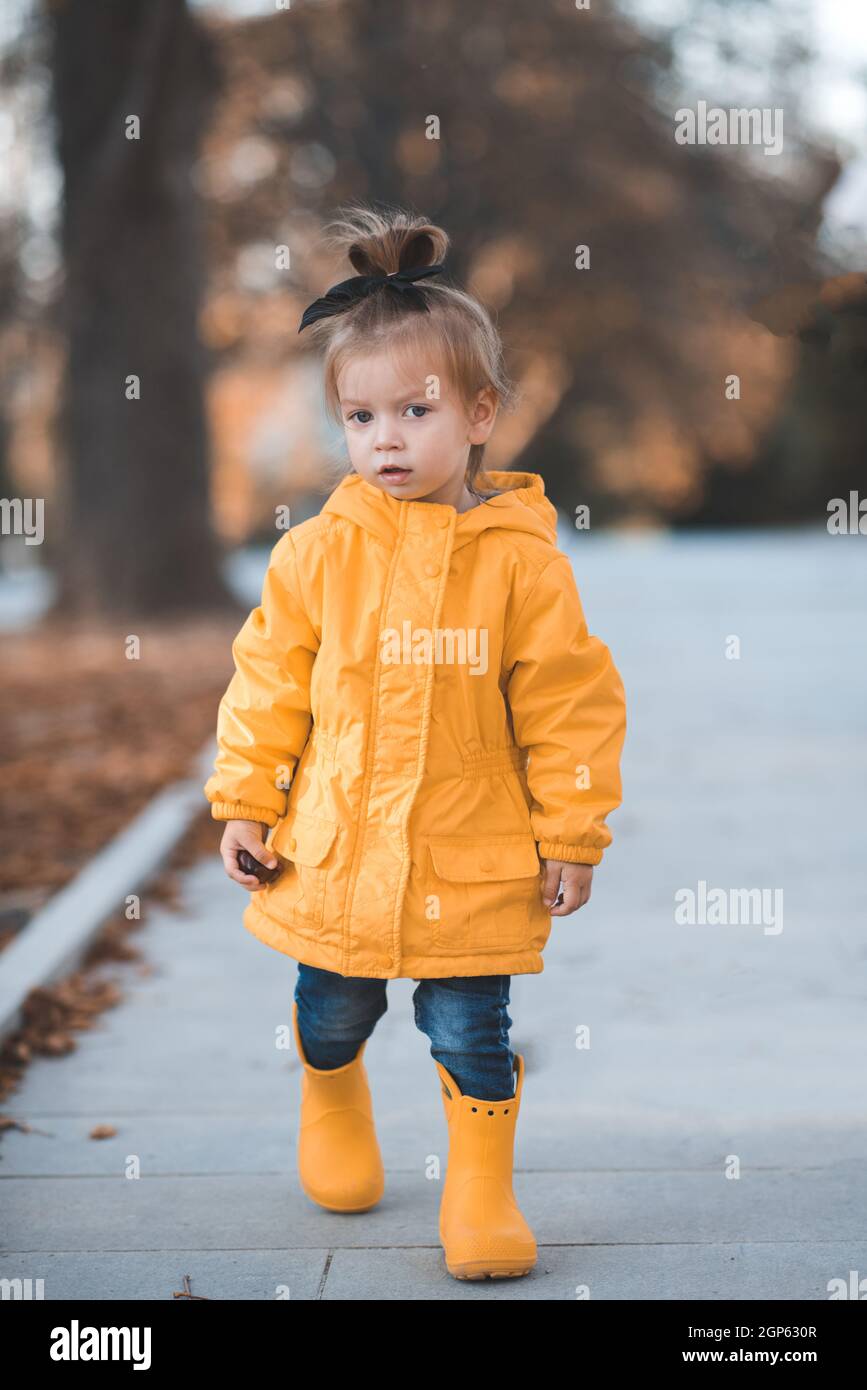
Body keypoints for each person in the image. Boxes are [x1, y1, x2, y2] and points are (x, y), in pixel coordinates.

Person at [203, 202, 627, 1281]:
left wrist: (571, 828)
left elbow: (569, 701)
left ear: (479, 414)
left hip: (471, 854)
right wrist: (245, 799)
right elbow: (269, 683)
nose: (385, 437)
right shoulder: (316, 555)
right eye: (360, 416)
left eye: (414, 410)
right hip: (336, 848)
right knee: (331, 1004)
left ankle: (479, 1196)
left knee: (470, 1030)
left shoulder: (521, 563)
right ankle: (331, 1090)